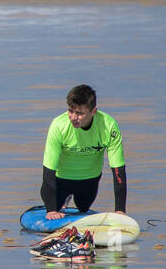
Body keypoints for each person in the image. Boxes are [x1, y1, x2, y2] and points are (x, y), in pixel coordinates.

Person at [40, 84, 127, 219]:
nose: (73, 117)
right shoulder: (58, 125)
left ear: (93, 112)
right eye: (71, 111)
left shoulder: (108, 126)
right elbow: (48, 170)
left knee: (83, 207)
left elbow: (118, 171)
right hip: (61, 180)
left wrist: (120, 210)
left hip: (89, 179)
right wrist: (51, 210)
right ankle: (61, 202)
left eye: (79, 113)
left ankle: (72, 199)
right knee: (54, 205)